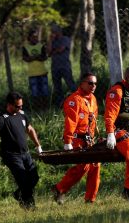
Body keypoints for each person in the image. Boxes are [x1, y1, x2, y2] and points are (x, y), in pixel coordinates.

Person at [0, 91, 43, 210]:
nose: (20, 108)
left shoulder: (22, 114)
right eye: (17, 106)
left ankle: (19, 194)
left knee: (34, 177)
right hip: (11, 155)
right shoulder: (2, 117)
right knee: (23, 179)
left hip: (25, 153)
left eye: (21, 105)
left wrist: (38, 146)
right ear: (9, 104)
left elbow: (30, 130)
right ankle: (29, 205)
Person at [51, 73, 100, 204]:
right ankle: (59, 188)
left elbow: (93, 120)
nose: (93, 86)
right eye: (90, 83)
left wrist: (94, 137)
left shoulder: (93, 99)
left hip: (89, 140)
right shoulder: (74, 100)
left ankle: (90, 199)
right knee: (82, 167)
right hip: (78, 139)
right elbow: (70, 122)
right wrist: (68, 141)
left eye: (95, 83)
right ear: (82, 83)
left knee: (95, 166)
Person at [104, 66, 129, 200]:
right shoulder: (117, 92)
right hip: (118, 132)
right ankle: (128, 192)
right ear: (126, 78)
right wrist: (110, 133)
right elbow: (110, 115)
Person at [47, 24, 76, 107]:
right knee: (57, 87)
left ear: (59, 31)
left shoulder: (65, 39)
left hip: (65, 66)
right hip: (55, 67)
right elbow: (48, 53)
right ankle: (60, 104)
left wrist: (53, 51)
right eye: (52, 32)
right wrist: (50, 40)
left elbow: (60, 49)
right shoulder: (53, 41)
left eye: (54, 31)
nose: (53, 33)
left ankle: (78, 99)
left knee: (70, 84)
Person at [22, 29, 49, 110]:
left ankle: (45, 108)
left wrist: (34, 57)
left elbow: (44, 57)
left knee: (45, 92)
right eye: (33, 37)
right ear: (29, 38)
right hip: (32, 74)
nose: (35, 38)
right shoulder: (25, 47)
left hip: (42, 73)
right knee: (35, 93)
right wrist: (36, 57)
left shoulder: (41, 46)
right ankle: (37, 109)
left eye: (36, 37)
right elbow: (26, 59)